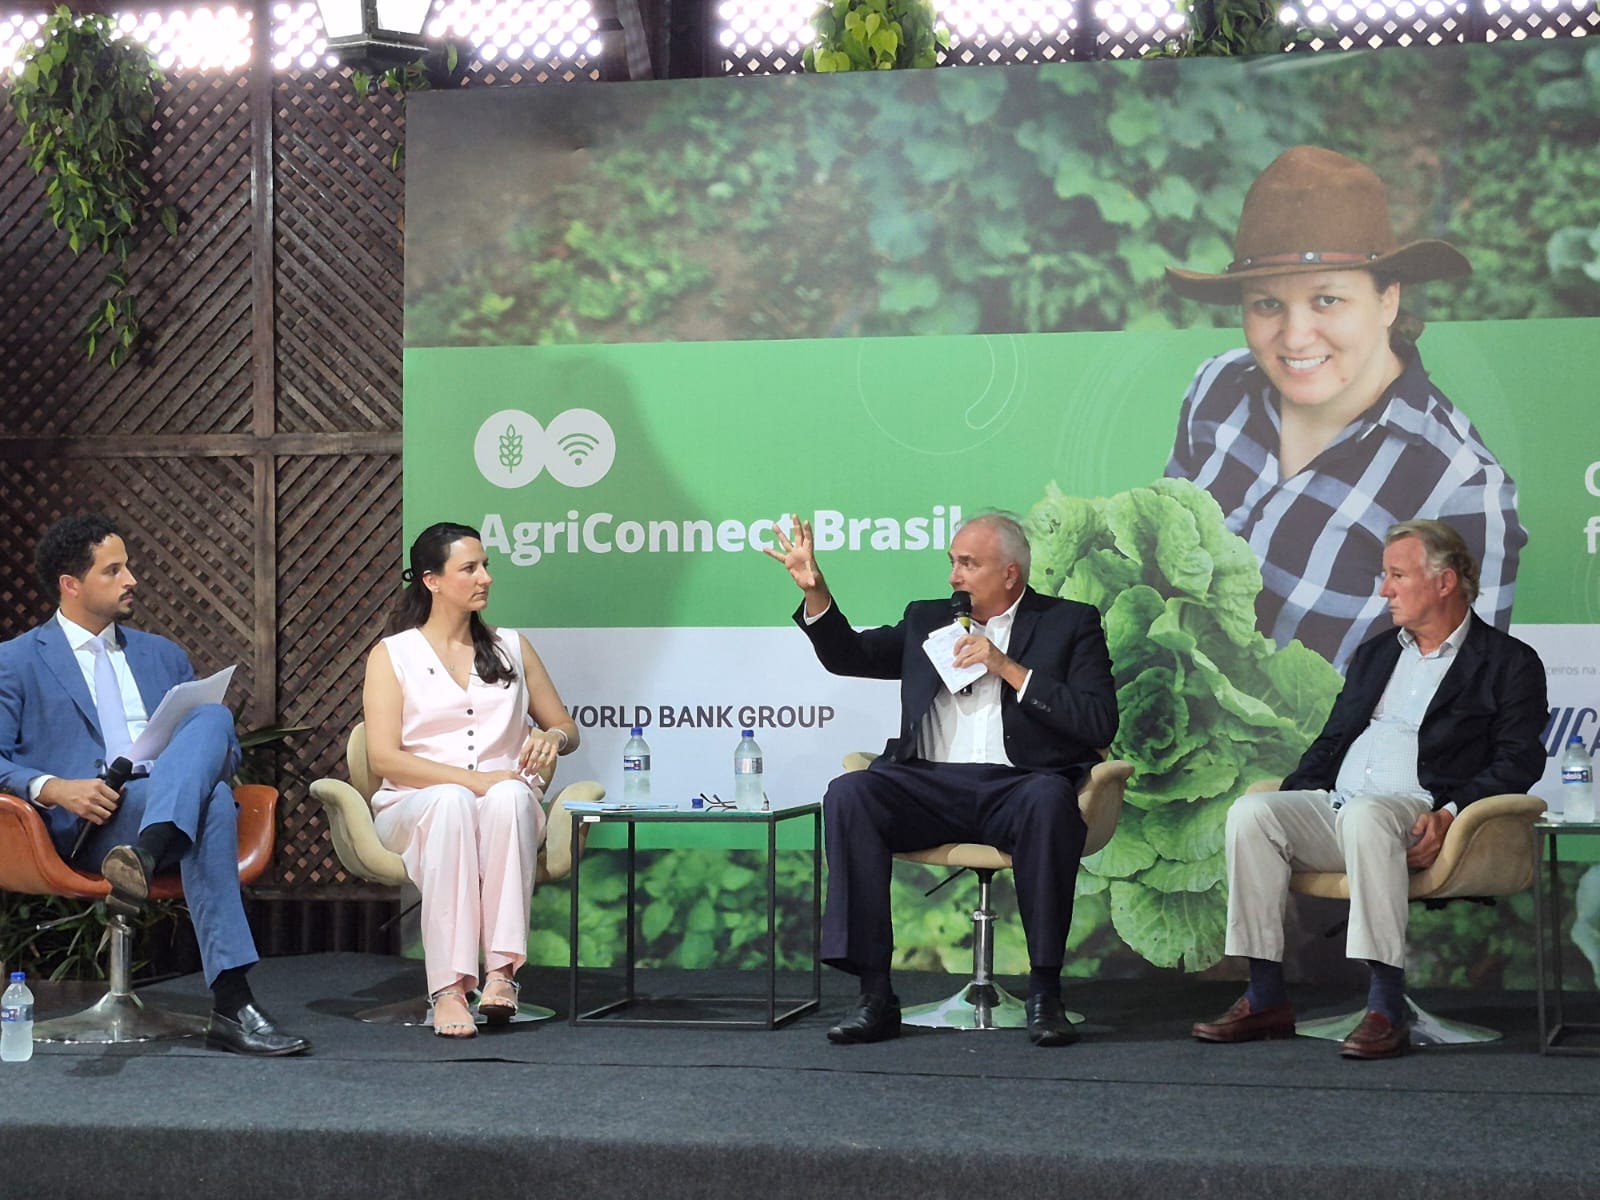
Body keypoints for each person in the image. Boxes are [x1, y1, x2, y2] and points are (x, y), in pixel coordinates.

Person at [1192, 519, 1546, 1059]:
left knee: (1367, 816)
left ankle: (1385, 1004)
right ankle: (1265, 996)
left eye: (1397, 575)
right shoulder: (1379, 653)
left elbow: (1520, 759)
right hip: (1342, 806)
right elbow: (1333, 739)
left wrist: (1452, 812)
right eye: (1385, 575)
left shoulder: (1507, 662)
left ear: (1445, 582)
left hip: (1420, 813)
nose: (1384, 589)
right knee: (1253, 814)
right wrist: (1293, 796)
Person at [1164, 145, 1524, 672]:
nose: (1295, 336)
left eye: (1326, 300)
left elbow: (1460, 702)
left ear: (1387, 301)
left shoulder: (1462, 488)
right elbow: (1159, 568)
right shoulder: (1216, 387)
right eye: (1267, 304)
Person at [766, 511, 1118, 1047]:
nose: (954, 575)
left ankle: (1046, 994)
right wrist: (817, 594)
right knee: (851, 792)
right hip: (928, 786)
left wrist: (1008, 668)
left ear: (1010, 574)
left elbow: (1098, 721)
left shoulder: (1070, 623)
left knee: (1050, 797)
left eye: (968, 564)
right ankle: (875, 995)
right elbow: (851, 656)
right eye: (952, 562)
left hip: (1018, 786)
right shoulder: (927, 619)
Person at [0, 514, 310, 1056]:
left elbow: (226, 754)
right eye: (113, 570)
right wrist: (55, 788)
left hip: (163, 804)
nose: (132, 580)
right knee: (209, 800)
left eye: (128, 566)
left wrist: (184, 764)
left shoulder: (162, 655)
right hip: (90, 820)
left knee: (213, 731)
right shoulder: (16, 661)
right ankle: (233, 1004)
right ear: (70, 585)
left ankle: (146, 854)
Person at [362, 521, 578, 1038]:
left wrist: (554, 739)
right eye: (470, 568)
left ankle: (502, 975)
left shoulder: (511, 647)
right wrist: (472, 781)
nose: (486, 577)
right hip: (416, 804)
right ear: (432, 581)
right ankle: (449, 989)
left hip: (503, 798)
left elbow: (565, 726)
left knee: (508, 797)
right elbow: (385, 758)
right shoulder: (393, 655)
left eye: (485, 565)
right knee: (454, 802)